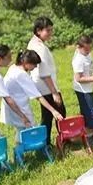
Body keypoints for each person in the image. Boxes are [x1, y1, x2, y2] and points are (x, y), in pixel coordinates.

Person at [3, 50, 65, 134]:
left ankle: (22, 145)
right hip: (19, 107)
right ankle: (29, 147)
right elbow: (38, 96)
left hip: (11, 105)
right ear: (26, 62)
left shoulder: (14, 67)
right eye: (34, 64)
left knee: (21, 131)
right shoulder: (21, 75)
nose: (35, 67)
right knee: (30, 131)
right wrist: (53, 111)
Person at [27, 16, 66, 146]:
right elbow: (44, 73)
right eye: (47, 30)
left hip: (41, 86)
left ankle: (46, 143)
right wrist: (54, 92)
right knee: (59, 113)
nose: (50, 33)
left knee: (47, 116)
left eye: (51, 30)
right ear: (38, 30)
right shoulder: (40, 48)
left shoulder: (33, 43)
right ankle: (61, 140)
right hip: (46, 87)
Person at [72, 35, 93, 141]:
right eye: (86, 49)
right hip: (83, 90)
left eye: (90, 48)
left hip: (88, 88)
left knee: (88, 111)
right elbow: (79, 78)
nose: (89, 51)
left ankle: (88, 132)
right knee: (92, 111)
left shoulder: (87, 54)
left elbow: (89, 65)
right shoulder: (78, 60)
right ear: (78, 47)